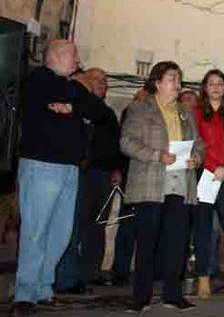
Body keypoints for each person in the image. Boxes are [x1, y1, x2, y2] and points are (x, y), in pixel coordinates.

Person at [12, 40, 108, 316]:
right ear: (55, 55)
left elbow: (98, 111)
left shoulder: (69, 86)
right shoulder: (39, 78)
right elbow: (71, 92)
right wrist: (79, 89)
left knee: (61, 234)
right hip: (41, 166)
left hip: (69, 169)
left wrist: (73, 107)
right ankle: (24, 293)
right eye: (74, 55)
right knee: (36, 231)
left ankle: (43, 288)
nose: (79, 61)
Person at [120, 61, 205, 312]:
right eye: (171, 79)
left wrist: (196, 158)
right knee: (147, 242)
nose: (177, 84)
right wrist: (156, 155)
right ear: (157, 83)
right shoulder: (139, 108)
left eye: (179, 79)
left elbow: (199, 145)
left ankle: (173, 294)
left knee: (177, 243)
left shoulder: (186, 112)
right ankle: (140, 296)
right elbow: (126, 142)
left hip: (180, 184)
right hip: (150, 183)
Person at [55, 68, 123, 293]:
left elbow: (116, 144)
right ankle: (68, 276)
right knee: (74, 224)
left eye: (106, 81)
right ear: (86, 82)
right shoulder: (76, 106)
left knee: (97, 226)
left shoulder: (107, 113)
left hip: (103, 175)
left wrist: (117, 169)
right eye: (99, 80)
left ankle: (91, 273)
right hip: (81, 173)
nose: (104, 85)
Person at [192, 69, 224, 300]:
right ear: (204, 88)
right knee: (204, 229)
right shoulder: (196, 113)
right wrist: (212, 167)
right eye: (211, 83)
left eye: (220, 83)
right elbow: (196, 143)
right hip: (205, 176)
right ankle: (203, 276)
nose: (216, 87)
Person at [108, 88, 147, 287]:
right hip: (130, 177)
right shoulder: (130, 115)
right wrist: (117, 169)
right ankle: (120, 270)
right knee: (127, 227)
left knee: (147, 229)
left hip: (148, 178)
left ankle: (142, 272)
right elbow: (121, 146)